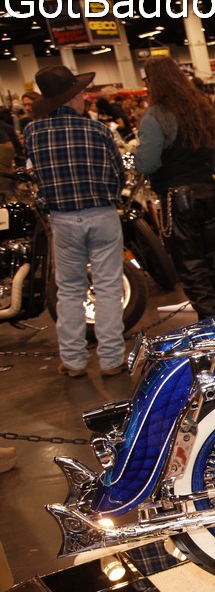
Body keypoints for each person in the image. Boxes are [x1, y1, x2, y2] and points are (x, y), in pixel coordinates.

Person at [24, 65, 127, 377]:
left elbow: (35, 175)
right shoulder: (99, 131)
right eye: (81, 93)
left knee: (69, 290)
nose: (85, 97)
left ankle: (73, 361)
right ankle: (112, 360)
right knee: (108, 288)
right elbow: (118, 175)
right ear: (72, 98)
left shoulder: (32, 132)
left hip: (63, 219)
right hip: (102, 214)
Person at [135, 57, 215, 320]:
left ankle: (211, 323)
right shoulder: (201, 107)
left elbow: (147, 163)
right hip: (212, 191)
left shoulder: (156, 115)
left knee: (192, 265)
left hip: (179, 197)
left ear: (153, 82)